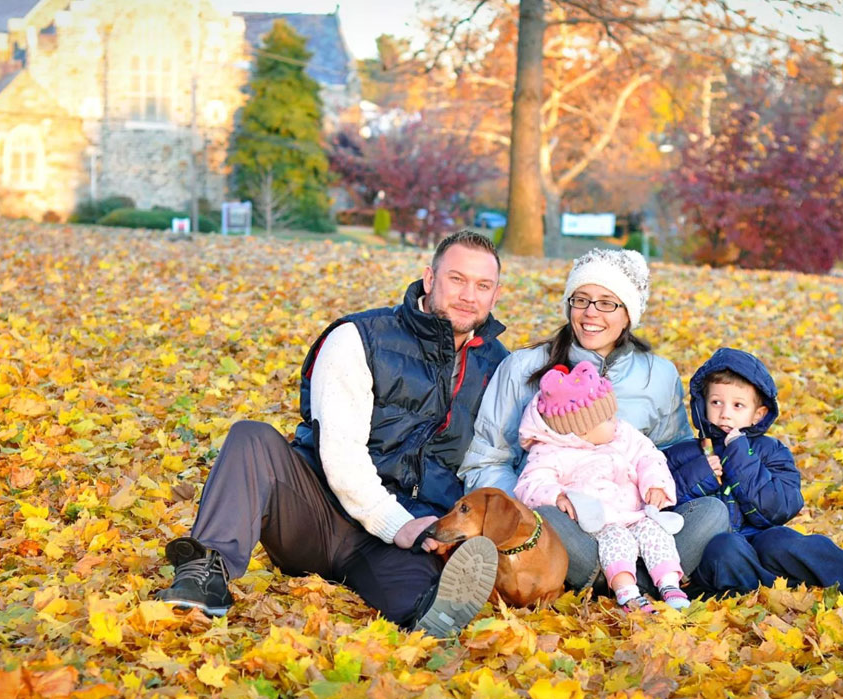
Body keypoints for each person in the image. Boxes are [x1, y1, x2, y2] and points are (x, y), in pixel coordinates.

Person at [154, 231, 511, 637]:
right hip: (317, 513)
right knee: (251, 438)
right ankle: (206, 573)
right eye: (457, 279)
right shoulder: (360, 337)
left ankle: (430, 607)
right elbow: (341, 454)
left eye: (482, 286)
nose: (469, 295)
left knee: (421, 605)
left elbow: (491, 459)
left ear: (495, 294)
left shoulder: (500, 367)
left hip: (407, 535)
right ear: (430, 279)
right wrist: (395, 522)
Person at [460, 248, 730, 595]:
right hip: (568, 525)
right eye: (581, 299)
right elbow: (488, 459)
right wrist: (525, 512)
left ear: (628, 314)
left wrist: (672, 485)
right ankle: (629, 580)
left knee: (712, 512)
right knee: (549, 518)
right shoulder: (523, 367)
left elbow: (666, 453)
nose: (590, 313)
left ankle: (638, 576)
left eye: (607, 303)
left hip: (637, 522)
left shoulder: (658, 375)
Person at [664, 347, 843, 602]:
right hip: (712, 552)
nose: (725, 413)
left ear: (758, 414)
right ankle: (764, 592)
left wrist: (740, 455)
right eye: (716, 402)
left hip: (758, 538)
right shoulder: (683, 453)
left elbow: (778, 509)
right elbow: (662, 501)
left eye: (738, 405)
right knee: (724, 549)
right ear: (702, 404)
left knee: (784, 541)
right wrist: (701, 473)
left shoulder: (772, 451)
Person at [514, 361, 691, 613]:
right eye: (608, 418)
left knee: (656, 533)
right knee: (615, 540)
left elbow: (648, 456)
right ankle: (627, 592)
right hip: (598, 526)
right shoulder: (552, 452)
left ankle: (669, 584)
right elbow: (531, 482)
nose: (615, 420)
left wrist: (656, 484)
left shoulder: (622, 434)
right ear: (583, 430)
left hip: (636, 513)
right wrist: (557, 496)